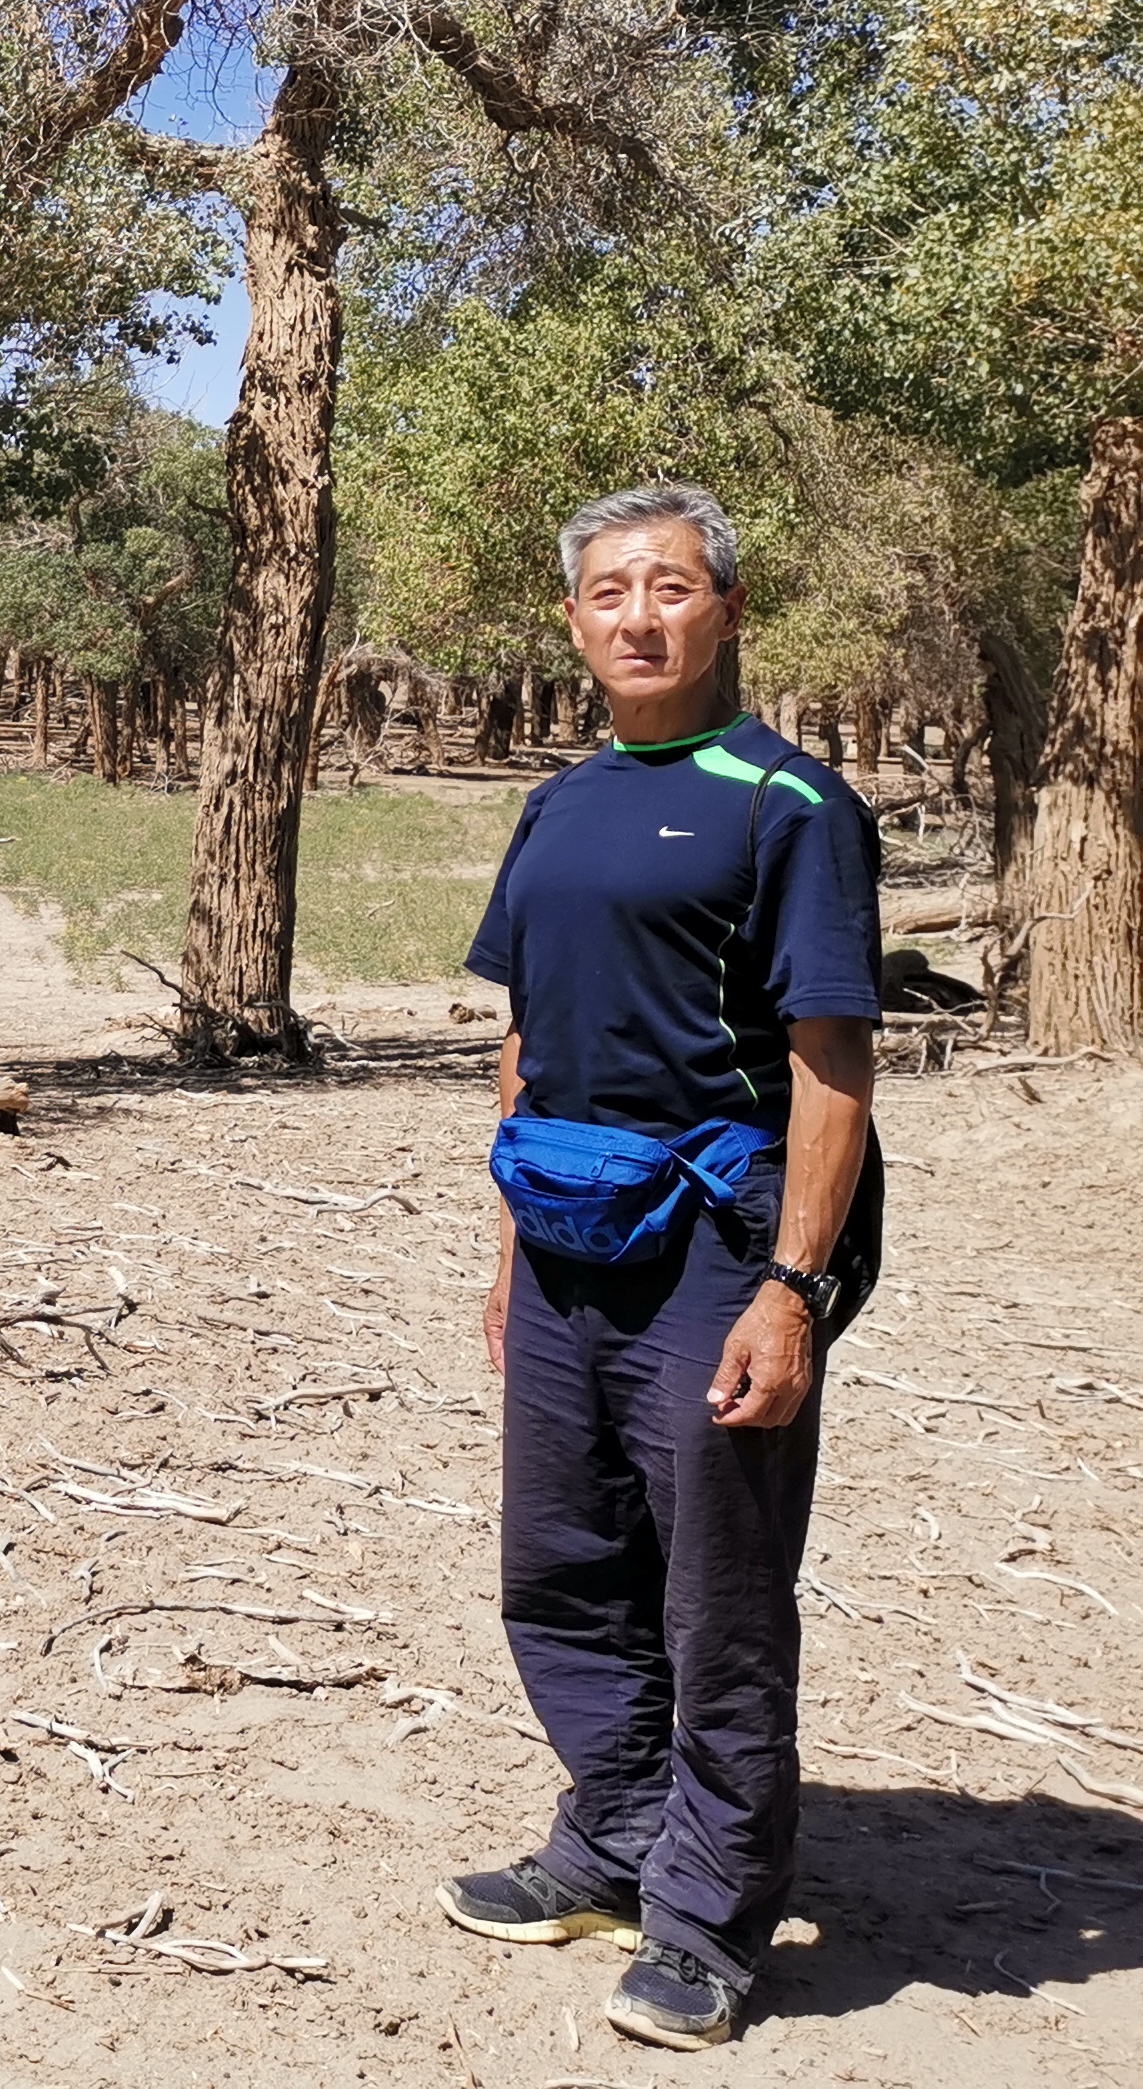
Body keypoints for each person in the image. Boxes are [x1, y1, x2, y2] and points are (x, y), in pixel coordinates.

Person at [439, 483, 883, 2051]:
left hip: (715, 1241)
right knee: (560, 1566)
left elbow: (833, 1060)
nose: (640, 614)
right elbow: (527, 1042)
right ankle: (615, 1838)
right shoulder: (559, 805)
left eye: (672, 586)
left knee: (719, 1593)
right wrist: (507, 1255)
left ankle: (706, 1915)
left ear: (727, 609)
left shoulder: (791, 804)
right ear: (574, 621)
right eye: (610, 591)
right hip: (565, 1236)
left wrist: (793, 1288)